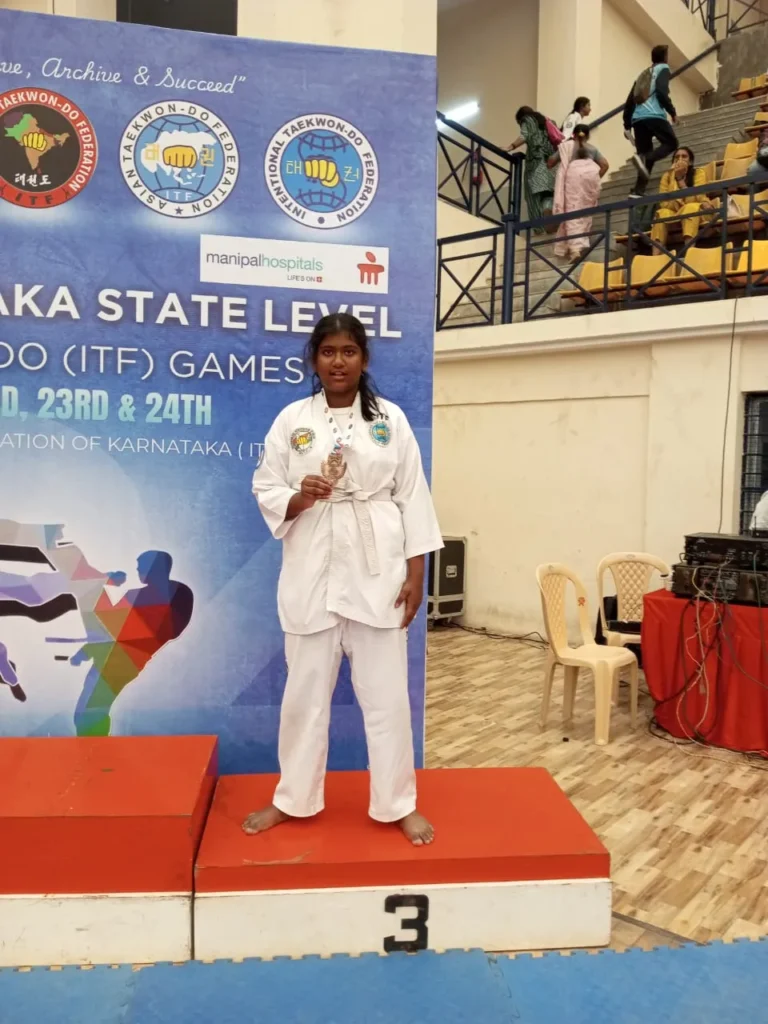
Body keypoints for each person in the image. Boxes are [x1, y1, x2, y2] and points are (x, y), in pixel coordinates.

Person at [245, 313, 442, 846]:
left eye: (348, 352)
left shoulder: (390, 420)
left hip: (379, 570)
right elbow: (265, 484)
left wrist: (416, 572)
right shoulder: (293, 419)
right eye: (328, 351)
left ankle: (398, 802)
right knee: (304, 697)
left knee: (387, 697)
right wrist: (299, 495)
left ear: (364, 359)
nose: (338, 361)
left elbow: (413, 496)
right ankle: (293, 797)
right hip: (311, 567)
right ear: (314, 359)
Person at [624, 44, 679, 198]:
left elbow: (630, 100)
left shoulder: (643, 73)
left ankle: (638, 190)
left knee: (645, 153)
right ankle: (645, 158)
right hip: (654, 115)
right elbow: (661, 92)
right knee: (671, 143)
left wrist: (627, 125)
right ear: (665, 57)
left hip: (638, 119)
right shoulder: (663, 69)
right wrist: (672, 112)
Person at [548, 124, 609, 260]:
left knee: (572, 212)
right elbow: (605, 165)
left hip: (574, 177)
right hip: (591, 176)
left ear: (573, 135)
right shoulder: (592, 148)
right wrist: (595, 179)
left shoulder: (567, 146)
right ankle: (581, 242)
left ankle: (575, 250)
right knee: (585, 212)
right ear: (587, 136)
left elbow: (550, 162)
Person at [650, 146, 715, 248]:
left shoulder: (698, 173)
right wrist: (681, 205)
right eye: (677, 157)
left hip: (699, 212)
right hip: (675, 214)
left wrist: (680, 180)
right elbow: (663, 203)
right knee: (661, 213)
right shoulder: (667, 176)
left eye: (684, 156)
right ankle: (657, 255)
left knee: (690, 208)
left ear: (690, 162)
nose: (680, 159)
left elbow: (699, 197)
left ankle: (689, 252)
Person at [508, 106, 556, 229]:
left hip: (535, 165)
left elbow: (524, 136)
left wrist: (510, 146)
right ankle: (547, 211)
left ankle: (538, 229)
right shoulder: (548, 122)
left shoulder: (528, 120)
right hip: (551, 166)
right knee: (548, 195)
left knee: (532, 198)